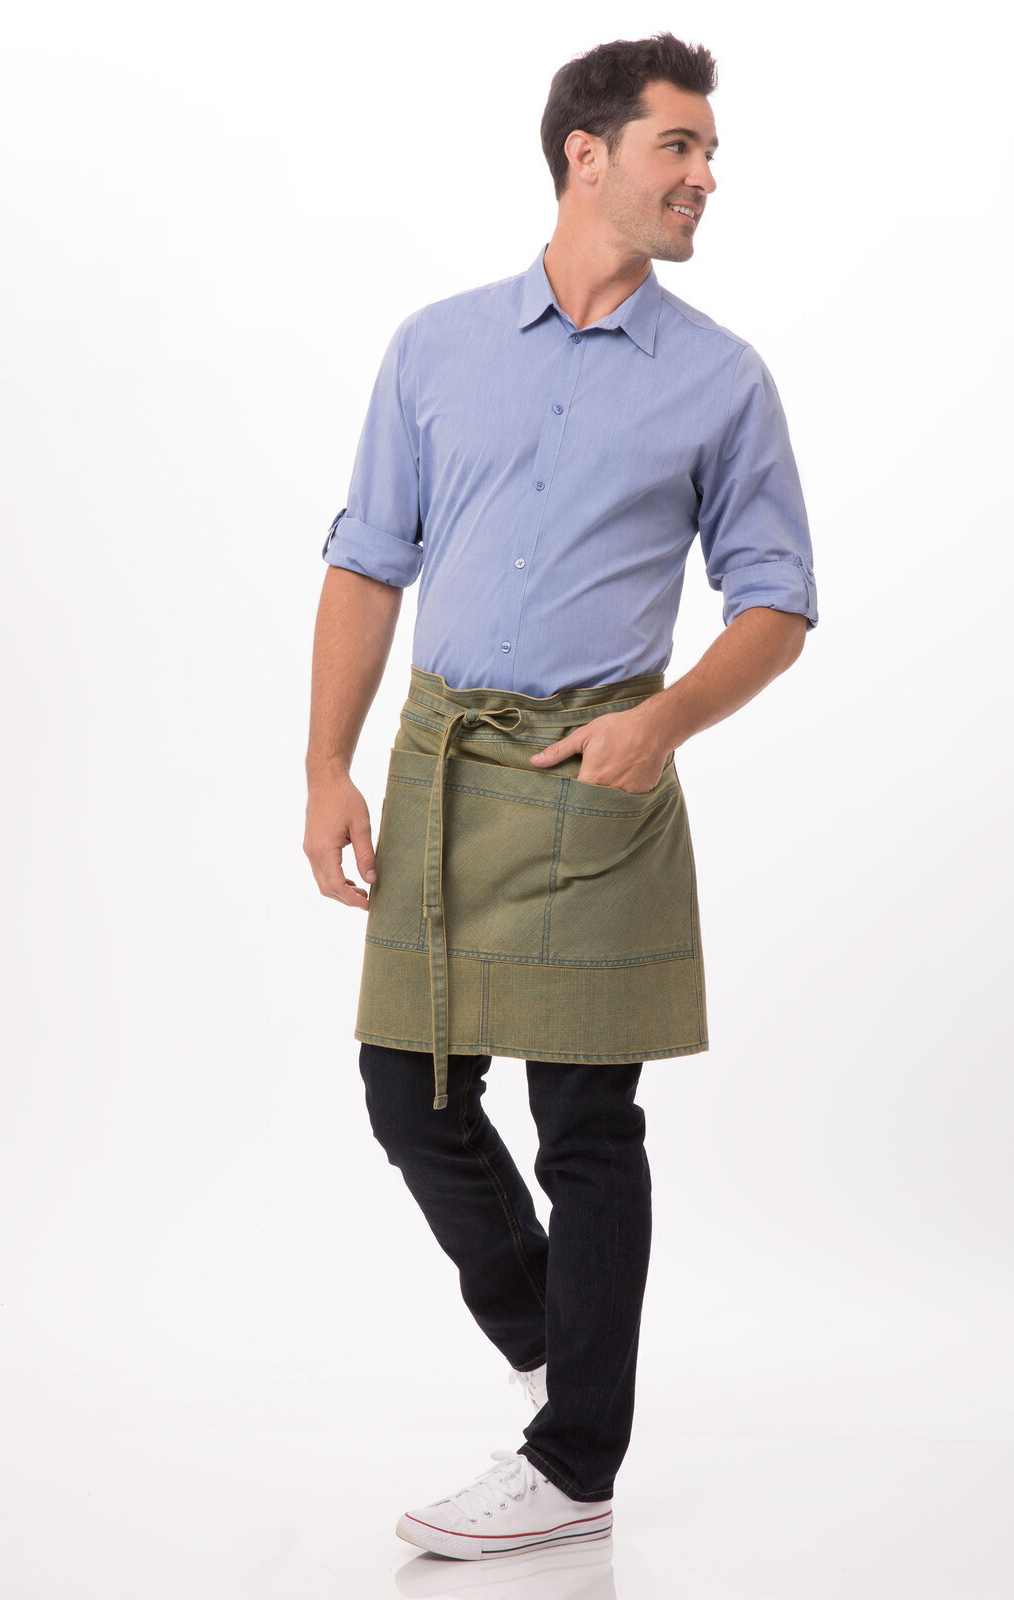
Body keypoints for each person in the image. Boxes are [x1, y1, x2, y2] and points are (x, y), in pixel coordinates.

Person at [305, 32, 818, 1561]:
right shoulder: (436, 347)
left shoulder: (722, 380)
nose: (706, 177)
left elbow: (777, 601)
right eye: (681, 147)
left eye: (709, 152)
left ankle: (574, 1457)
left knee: (587, 1123)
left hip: (601, 768)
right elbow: (365, 564)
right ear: (586, 155)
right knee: (407, 1093)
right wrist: (326, 764)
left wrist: (661, 723)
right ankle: (558, 1342)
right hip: (442, 766)